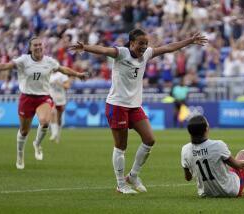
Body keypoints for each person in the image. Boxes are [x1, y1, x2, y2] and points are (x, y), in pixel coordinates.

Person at [69, 28, 207, 194]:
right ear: (132, 43)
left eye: (146, 43)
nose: (144, 46)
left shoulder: (147, 54)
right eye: (141, 43)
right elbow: (104, 50)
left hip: (134, 106)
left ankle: (133, 175)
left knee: (149, 139)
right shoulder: (121, 53)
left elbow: (168, 47)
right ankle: (121, 184)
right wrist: (85, 47)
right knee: (121, 146)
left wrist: (190, 41)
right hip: (117, 105)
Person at [0, 37, 87, 169]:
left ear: (43, 46)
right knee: (24, 131)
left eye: (40, 44)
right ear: (30, 48)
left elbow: (63, 69)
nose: (38, 47)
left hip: (43, 98)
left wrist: (78, 74)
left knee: (45, 122)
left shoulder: (49, 61)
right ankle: (20, 154)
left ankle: (37, 144)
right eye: (35, 45)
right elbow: (6, 65)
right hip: (27, 98)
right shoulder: (23, 60)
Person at [181, 115, 244, 197]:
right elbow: (238, 166)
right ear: (206, 128)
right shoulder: (217, 145)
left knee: (222, 166)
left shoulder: (185, 149)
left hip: (206, 193)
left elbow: (188, 178)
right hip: (230, 191)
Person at [49, 70, 72, 143]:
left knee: (59, 118)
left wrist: (59, 83)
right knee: (52, 113)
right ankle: (54, 133)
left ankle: (58, 135)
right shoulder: (48, 74)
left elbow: (67, 86)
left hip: (61, 98)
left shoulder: (62, 75)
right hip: (52, 97)